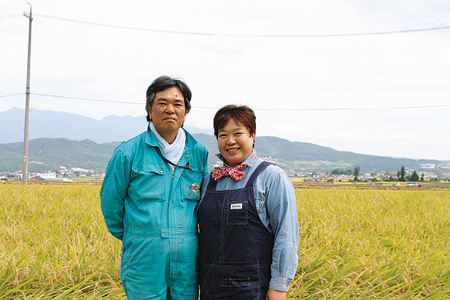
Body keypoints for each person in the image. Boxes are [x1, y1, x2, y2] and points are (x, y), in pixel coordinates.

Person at [100, 75, 209, 300]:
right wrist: (139, 237)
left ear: (185, 112)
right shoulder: (128, 152)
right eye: (162, 103)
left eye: (177, 104)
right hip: (144, 259)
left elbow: (206, 204)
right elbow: (111, 205)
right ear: (150, 110)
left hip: (187, 261)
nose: (170, 109)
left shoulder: (198, 152)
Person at [197, 105, 299, 300]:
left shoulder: (272, 178)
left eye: (238, 133)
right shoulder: (208, 181)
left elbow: (286, 236)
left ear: (252, 135)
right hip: (210, 287)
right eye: (223, 135)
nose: (230, 141)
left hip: (253, 289)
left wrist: (279, 286)